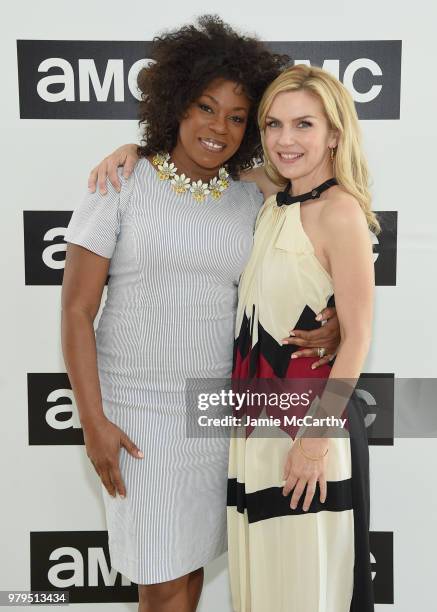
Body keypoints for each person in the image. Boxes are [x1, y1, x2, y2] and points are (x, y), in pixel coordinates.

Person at [62, 16, 341, 612]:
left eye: (237, 117)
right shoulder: (122, 182)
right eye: (205, 107)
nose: (219, 127)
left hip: (216, 413)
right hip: (138, 415)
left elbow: (318, 242)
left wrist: (338, 317)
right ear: (175, 105)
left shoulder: (251, 194)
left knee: (187, 573)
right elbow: (77, 309)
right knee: (161, 582)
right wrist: (93, 423)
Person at [226, 64, 378, 611]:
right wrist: (133, 149)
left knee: (308, 591)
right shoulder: (273, 195)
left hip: (306, 434)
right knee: (266, 589)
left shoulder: (341, 214)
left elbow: (357, 338)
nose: (285, 140)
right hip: (256, 432)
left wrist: (313, 442)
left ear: (335, 132)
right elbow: (202, 162)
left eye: (304, 125)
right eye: (273, 125)